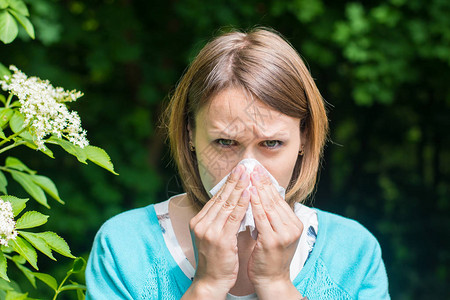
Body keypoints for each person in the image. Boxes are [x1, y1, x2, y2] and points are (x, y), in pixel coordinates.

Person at [85, 27, 390, 299]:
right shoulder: (125, 247)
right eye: (225, 142)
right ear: (190, 133)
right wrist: (207, 285)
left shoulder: (353, 253)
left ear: (304, 139)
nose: (247, 169)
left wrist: (277, 284)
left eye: (271, 144)